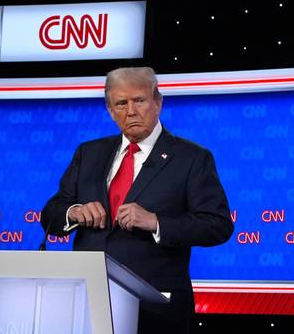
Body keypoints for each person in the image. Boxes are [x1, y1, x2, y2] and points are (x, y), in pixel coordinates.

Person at [41, 67, 234, 334]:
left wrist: (156, 223)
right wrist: (74, 212)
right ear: (110, 110)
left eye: (139, 100)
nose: (130, 111)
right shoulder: (89, 153)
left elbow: (218, 225)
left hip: (155, 309)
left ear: (158, 102)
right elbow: (51, 211)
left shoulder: (191, 158)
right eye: (121, 103)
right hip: (88, 301)